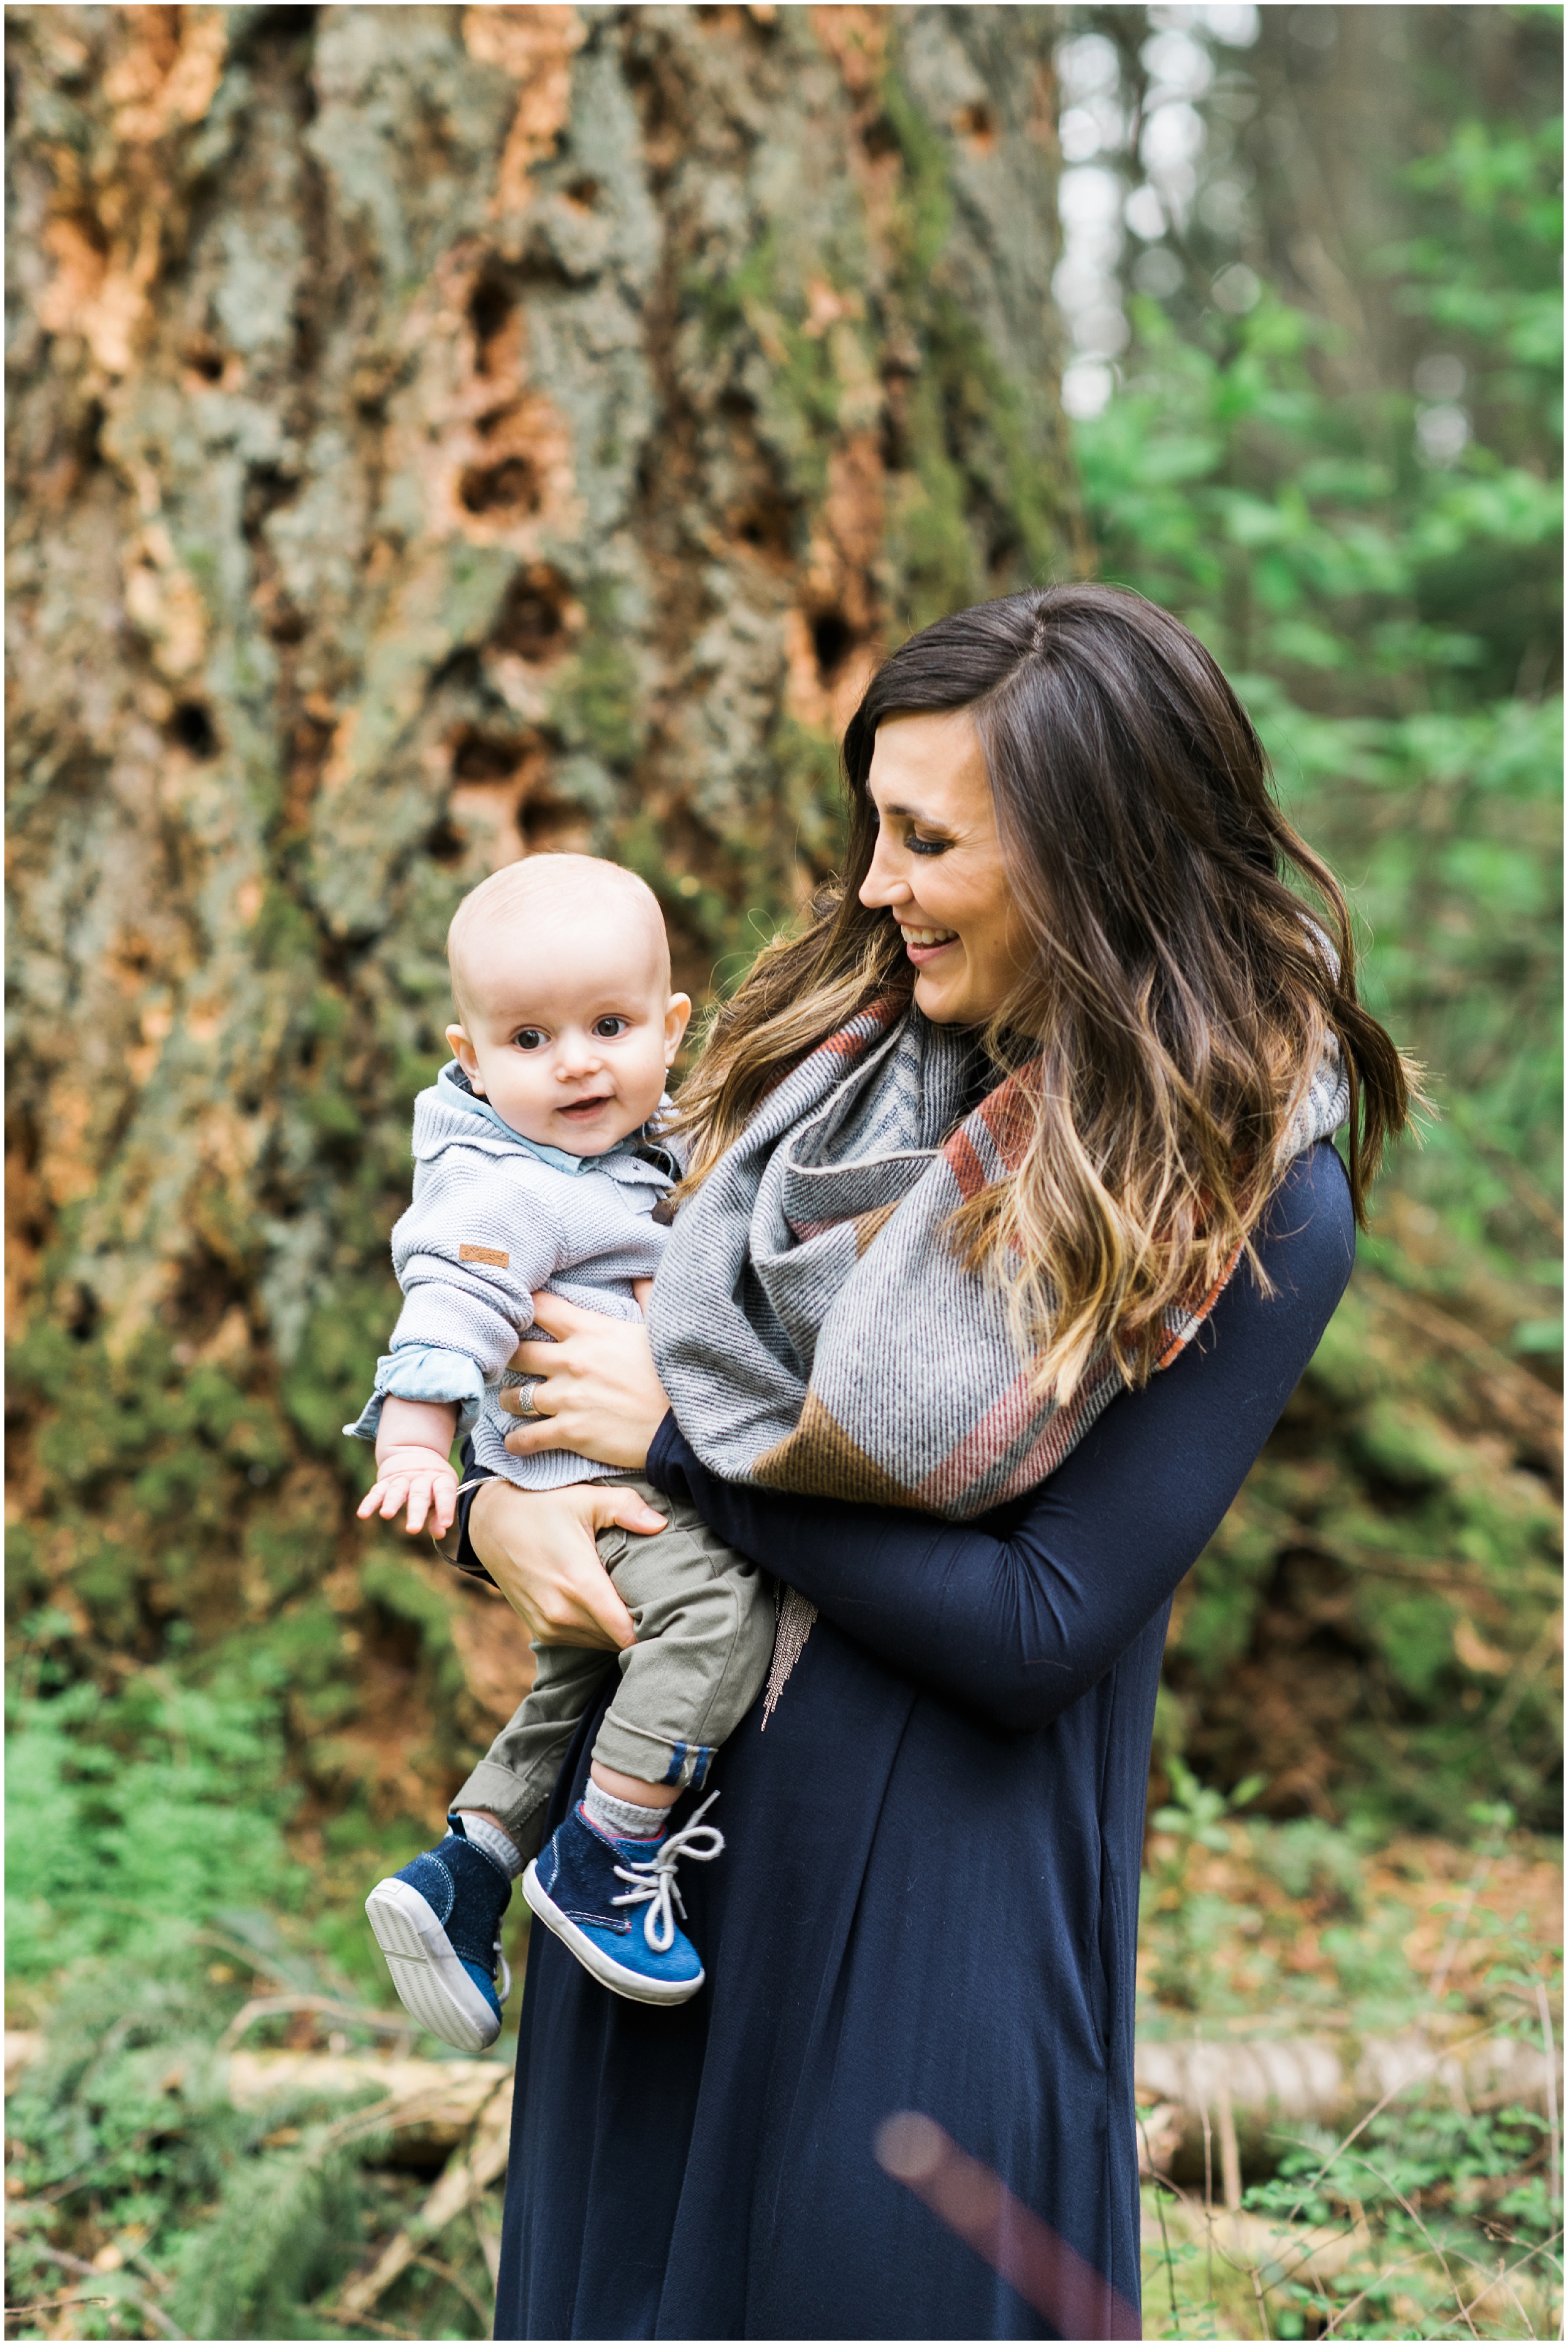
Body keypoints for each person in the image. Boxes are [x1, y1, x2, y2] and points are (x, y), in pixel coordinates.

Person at [452, 586, 1414, 2339]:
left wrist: (685, 1451)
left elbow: (1040, 1625)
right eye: (872, 830)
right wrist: (493, 1510)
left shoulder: (1242, 1187)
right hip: (648, 1869)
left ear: (1088, 856)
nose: (874, 884)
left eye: (926, 839)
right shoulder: (803, 1071)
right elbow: (543, 1353)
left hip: (931, 1928)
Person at [346, 856, 778, 2043]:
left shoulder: (658, 1142)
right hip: (587, 1480)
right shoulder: (505, 1189)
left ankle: (467, 1870)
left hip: (617, 1470)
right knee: (715, 1608)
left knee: (581, 1680)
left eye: (609, 1025)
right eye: (530, 1039)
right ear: (472, 1057)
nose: (578, 1061)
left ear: (671, 1026)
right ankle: (609, 1850)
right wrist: (418, 1449)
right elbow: (444, 1314)